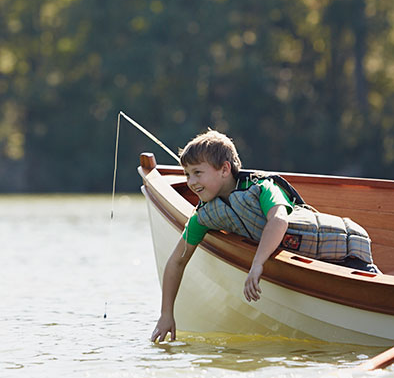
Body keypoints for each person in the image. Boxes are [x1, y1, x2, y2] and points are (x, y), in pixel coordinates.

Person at [150, 129, 379, 344]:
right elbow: (177, 261)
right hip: (315, 266)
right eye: (187, 174)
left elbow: (278, 220)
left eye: (198, 173)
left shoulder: (261, 186)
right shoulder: (204, 216)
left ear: (224, 169)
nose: (191, 182)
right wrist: (166, 314)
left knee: (373, 299)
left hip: (346, 247)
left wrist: (257, 263)